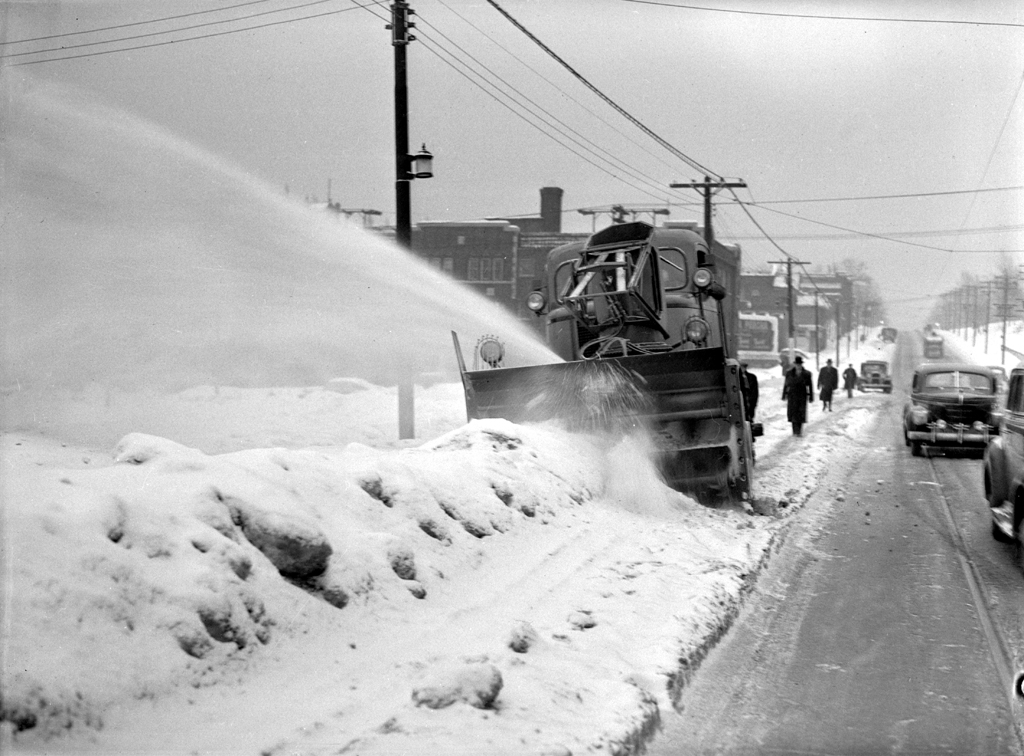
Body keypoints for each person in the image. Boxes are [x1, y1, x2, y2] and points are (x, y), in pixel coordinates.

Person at [782, 355, 813, 436]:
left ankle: (799, 431)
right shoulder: (789, 373)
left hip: (802, 395)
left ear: (801, 365)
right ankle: (794, 431)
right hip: (792, 395)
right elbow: (785, 385)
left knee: (801, 413)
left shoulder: (807, 374)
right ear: (795, 364)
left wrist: (811, 396)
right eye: (797, 364)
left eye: (799, 364)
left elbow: (810, 385)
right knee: (793, 413)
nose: (798, 366)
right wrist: (784, 394)